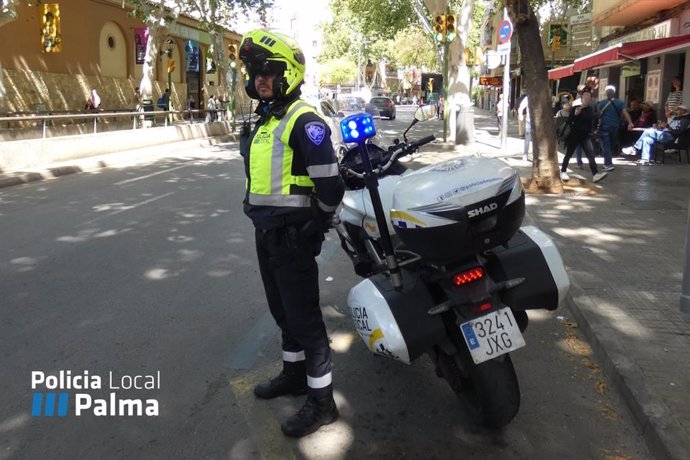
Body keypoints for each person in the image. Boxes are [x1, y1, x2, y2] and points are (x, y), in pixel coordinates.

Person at [238, 29, 345, 438]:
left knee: (306, 321)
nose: (260, 78)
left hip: (293, 237)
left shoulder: (304, 120)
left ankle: (323, 403)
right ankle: (294, 374)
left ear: (288, 74)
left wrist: (314, 225)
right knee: (283, 313)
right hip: (266, 233)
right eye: (254, 71)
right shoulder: (267, 119)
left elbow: (331, 186)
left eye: (268, 71)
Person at [561, 90, 608, 183]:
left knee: (591, 155)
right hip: (574, 135)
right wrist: (575, 115)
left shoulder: (590, 109)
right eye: (585, 97)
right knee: (569, 154)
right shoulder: (575, 108)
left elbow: (593, 119)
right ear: (581, 99)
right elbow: (569, 121)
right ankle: (563, 171)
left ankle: (595, 174)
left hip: (585, 136)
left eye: (588, 98)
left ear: (590, 100)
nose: (586, 99)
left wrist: (594, 129)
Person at [622, 104, 690, 165]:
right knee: (647, 139)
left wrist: (667, 126)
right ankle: (645, 159)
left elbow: (678, 131)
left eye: (678, 110)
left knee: (648, 131)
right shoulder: (676, 117)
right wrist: (663, 126)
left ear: (683, 111)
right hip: (665, 133)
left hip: (670, 136)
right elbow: (671, 126)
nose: (677, 111)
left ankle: (635, 148)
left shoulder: (686, 119)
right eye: (677, 110)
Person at [596, 85, 633, 172]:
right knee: (610, 144)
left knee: (606, 145)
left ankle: (608, 164)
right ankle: (608, 161)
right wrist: (630, 123)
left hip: (604, 125)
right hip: (615, 126)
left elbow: (597, 114)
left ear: (606, 93)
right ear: (614, 93)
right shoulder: (620, 102)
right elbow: (625, 112)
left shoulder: (601, 103)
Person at [518, 95, 531, 161]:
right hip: (529, 121)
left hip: (539, 122)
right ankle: (525, 154)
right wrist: (520, 115)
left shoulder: (541, 97)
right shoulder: (528, 98)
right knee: (527, 139)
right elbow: (521, 107)